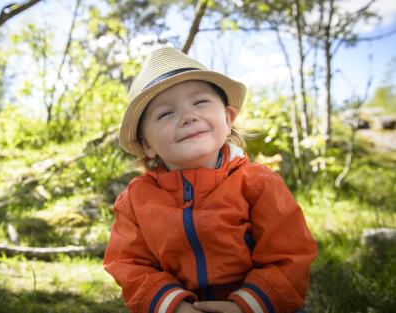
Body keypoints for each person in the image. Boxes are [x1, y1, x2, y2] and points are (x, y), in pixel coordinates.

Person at [103, 46, 317, 313]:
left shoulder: (258, 183)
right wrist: (175, 306)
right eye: (165, 113)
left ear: (228, 119)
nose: (188, 117)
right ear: (147, 145)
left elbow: (290, 255)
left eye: (200, 102)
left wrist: (245, 306)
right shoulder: (135, 200)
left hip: (260, 305)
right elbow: (129, 263)